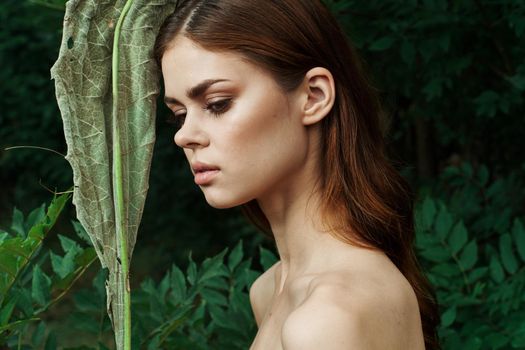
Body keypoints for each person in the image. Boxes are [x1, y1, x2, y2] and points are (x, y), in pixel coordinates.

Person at [154, 0, 440, 349]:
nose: (184, 135)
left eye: (217, 103)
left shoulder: (327, 318)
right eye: (179, 114)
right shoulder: (271, 291)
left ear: (314, 96)